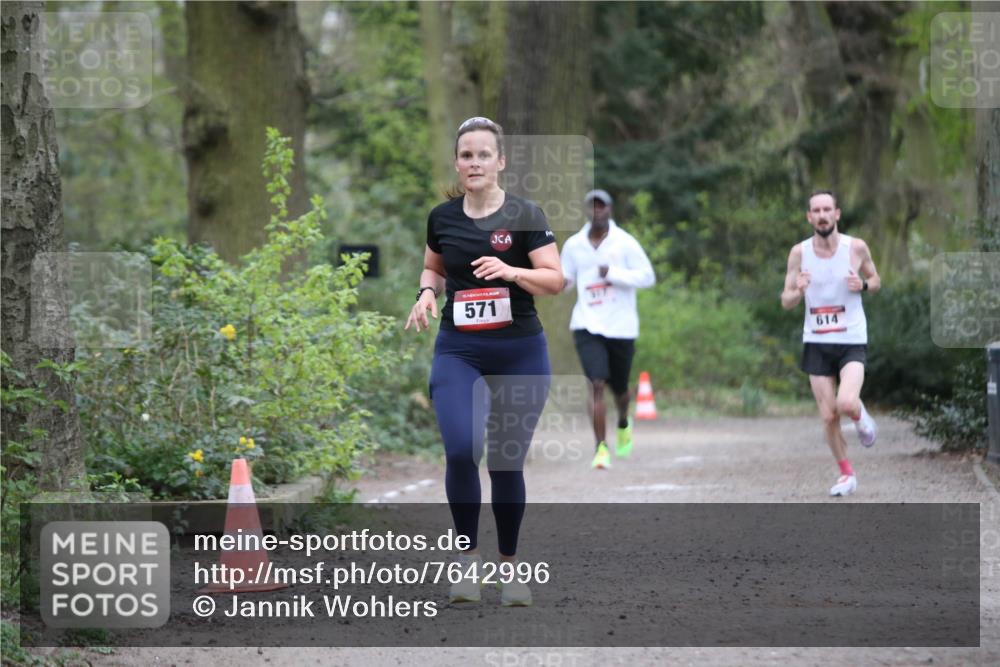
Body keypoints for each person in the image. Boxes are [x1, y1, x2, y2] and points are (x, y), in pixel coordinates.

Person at [405, 117, 563, 606]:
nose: (474, 162)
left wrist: (512, 271)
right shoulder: (443, 217)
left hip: (520, 352)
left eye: (483, 154)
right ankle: (466, 563)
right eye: (466, 155)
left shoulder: (525, 213)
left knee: (505, 461)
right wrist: (426, 294)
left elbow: (555, 280)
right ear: (457, 162)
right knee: (460, 448)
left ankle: (510, 569)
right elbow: (433, 266)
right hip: (460, 350)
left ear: (500, 162)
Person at [781, 190, 881, 497]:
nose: (822, 215)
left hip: (850, 338)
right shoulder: (799, 253)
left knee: (846, 403)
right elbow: (786, 301)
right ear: (809, 217)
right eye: (816, 210)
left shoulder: (857, 247)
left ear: (836, 214)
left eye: (827, 209)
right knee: (827, 416)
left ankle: (863, 419)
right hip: (817, 340)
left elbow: (876, 280)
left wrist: (862, 285)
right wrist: (798, 291)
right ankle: (847, 474)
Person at [560, 189, 655, 470]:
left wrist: (612, 274)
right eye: (592, 207)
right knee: (596, 384)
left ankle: (624, 420)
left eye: (602, 207)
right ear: (587, 211)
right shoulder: (574, 245)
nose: (597, 211)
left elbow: (648, 277)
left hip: (621, 326)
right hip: (587, 323)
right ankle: (601, 448)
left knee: (620, 389)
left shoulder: (624, 243)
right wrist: (550, 281)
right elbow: (566, 280)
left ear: (610, 210)